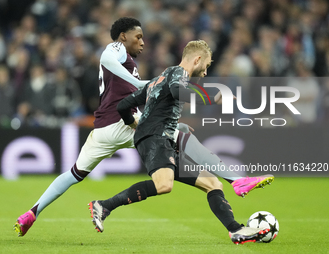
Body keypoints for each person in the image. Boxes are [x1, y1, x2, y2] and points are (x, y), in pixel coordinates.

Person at [14, 17, 273, 238]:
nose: (142, 42)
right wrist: (140, 84)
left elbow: (137, 105)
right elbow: (106, 58)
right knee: (176, 142)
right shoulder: (116, 49)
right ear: (123, 36)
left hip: (112, 127)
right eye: (138, 37)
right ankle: (237, 180)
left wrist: (151, 102)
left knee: (74, 174)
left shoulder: (134, 65)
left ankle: (33, 212)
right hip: (121, 124)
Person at [89, 40, 271, 245]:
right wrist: (213, 97)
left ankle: (236, 230)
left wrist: (136, 124)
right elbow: (177, 92)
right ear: (198, 59)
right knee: (164, 184)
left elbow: (124, 105)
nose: (205, 72)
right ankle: (104, 206)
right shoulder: (178, 73)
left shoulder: (160, 78)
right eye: (207, 66)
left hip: (162, 139)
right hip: (155, 139)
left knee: (212, 183)